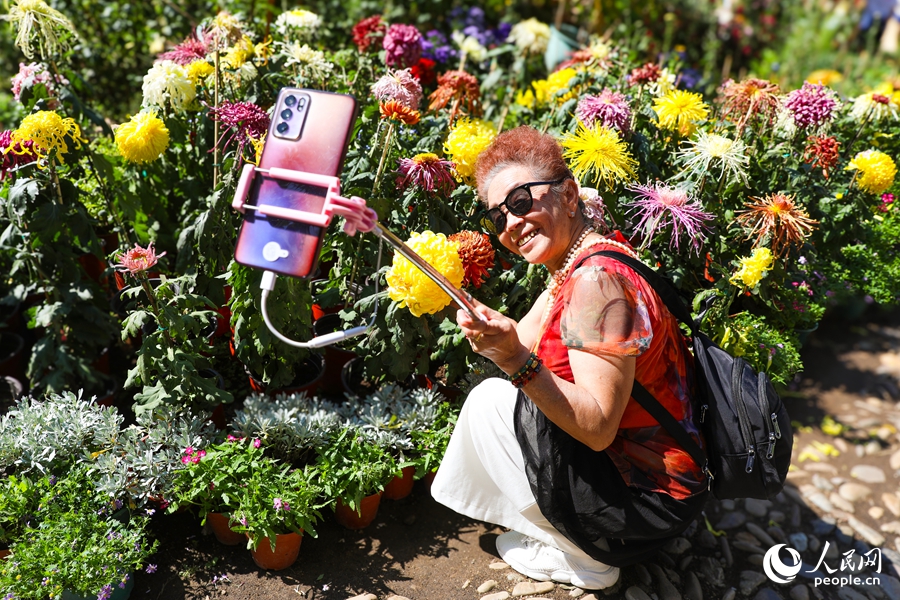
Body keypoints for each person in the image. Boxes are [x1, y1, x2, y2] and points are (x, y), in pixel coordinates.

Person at [430, 126, 709, 590]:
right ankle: (576, 533)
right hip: (665, 489)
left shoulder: (594, 284)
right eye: (497, 218)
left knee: (490, 403)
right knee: (503, 396)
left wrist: (513, 358)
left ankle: (586, 556)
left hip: (645, 504)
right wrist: (493, 331)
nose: (511, 226)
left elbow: (597, 428)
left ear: (570, 195)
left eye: (520, 202)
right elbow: (525, 336)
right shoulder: (583, 261)